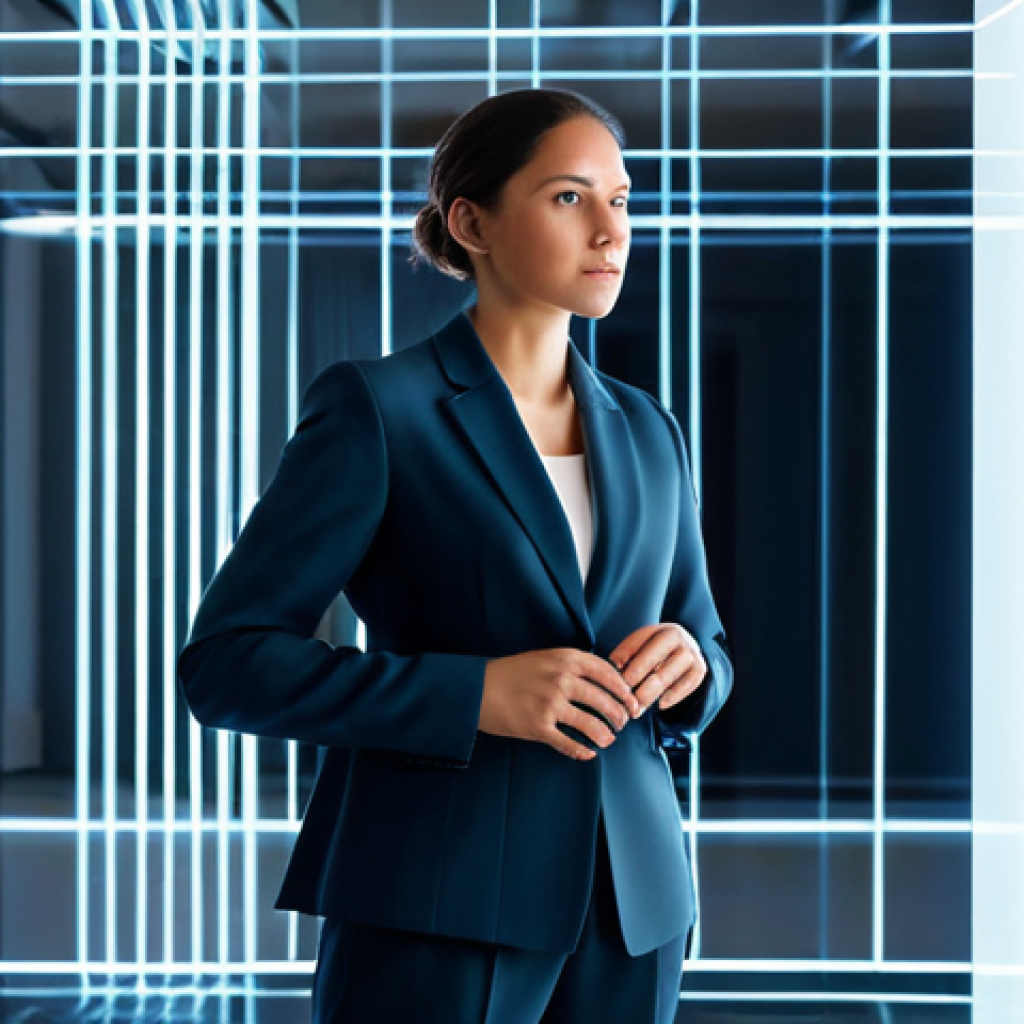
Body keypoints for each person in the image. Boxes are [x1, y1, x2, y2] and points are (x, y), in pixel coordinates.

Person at [176, 87, 733, 1024]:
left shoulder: (650, 429)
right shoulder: (378, 409)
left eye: (622, 199)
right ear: (471, 221)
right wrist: (474, 694)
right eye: (570, 197)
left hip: (636, 908)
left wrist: (694, 670)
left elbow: (706, 646)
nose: (611, 230)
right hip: (438, 898)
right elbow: (228, 664)